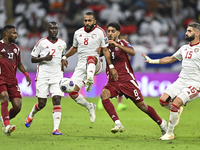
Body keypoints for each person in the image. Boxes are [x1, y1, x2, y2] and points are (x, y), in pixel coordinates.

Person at [99, 22, 167, 135]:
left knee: (143, 106)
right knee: (104, 94)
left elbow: (133, 52)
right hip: (113, 82)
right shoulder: (105, 46)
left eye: (113, 31)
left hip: (127, 81)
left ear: (118, 33)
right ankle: (117, 123)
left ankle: (161, 123)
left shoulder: (123, 42)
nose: (110, 33)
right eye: (109, 31)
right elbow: (97, 53)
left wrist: (118, 45)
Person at [141, 22, 200, 140]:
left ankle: (170, 133)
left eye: (189, 31)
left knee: (175, 104)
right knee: (163, 101)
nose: (186, 33)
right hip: (181, 80)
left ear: (197, 33)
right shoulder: (184, 48)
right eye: (187, 30)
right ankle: (178, 111)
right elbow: (171, 59)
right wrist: (152, 61)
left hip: (195, 83)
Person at [61, 12, 118, 123]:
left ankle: (90, 79)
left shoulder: (100, 32)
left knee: (90, 57)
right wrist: (64, 56)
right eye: (85, 20)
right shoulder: (78, 33)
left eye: (89, 20)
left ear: (94, 21)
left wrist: (111, 66)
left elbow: (105, 50)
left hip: (96, 64)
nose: (87, 22)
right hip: (81, 67)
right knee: (72, 91)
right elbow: (74, 48)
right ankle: (89, 106)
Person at [25, 22, 67, 135]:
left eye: (56, 28)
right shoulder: (41, 43)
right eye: (52, 28)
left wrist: (64, 59)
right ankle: (31, 115)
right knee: (42, 103)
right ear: (47, 30)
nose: (54, 30)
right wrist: (44, 58)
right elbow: (33, 59)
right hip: (43, 76)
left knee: (57, 99)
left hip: (57, 75)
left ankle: (56, 129)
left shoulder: (62, 43)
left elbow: (63, 55)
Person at [0, 25, 31, 136]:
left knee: (17, 106)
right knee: (4, 97)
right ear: (6, 34)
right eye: (13, 33)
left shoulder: (16, 48)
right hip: (1, 78)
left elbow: (19, 63)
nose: (16, 35)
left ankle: (4, 118)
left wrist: (26, 74)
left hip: (12, 80)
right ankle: (7, 126)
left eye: (16, 33)